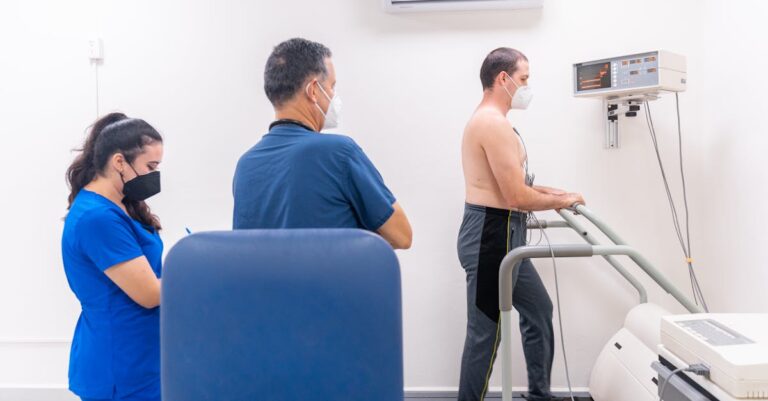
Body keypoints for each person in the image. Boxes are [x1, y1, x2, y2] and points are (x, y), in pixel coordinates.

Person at [457, 48, 586, 401]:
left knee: (539, 309)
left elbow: (515, 185)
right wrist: (561, 201)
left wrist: (559, 192)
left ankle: (540, 395)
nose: (527, 87)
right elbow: (515, 196)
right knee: (486, 333)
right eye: (524, 78)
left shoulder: (498, 122)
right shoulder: (491, 123)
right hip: (491, 236)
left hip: (508, 233)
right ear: (503, 78)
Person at [233, 38, 412, 249]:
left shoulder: (245, 165)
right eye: (332, 86)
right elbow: (402, 235)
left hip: (264, 283)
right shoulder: (338, 152)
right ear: (314, 90)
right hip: (330, 282)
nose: (334, 95)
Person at [62, 113, 165, 401]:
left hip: (139, 357)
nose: (154, 175)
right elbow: (148, 293)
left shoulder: (120, 208)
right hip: (120, 364)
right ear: (119, 161)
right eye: (150, 166)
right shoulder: (97, 217)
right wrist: (197, 270)